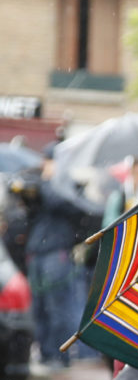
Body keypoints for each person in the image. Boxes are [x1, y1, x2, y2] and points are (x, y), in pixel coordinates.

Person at [13, 143, 102, 366]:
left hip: (56, 254)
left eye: (49, 160)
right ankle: (46, 353)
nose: (45, 165)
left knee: (59, 308)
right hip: (38, 252)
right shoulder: (45, 184)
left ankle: (61, 357)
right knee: (39, 309)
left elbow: (61, 203)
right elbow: (31, 213)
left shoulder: (64, 184)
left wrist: (48, 181)